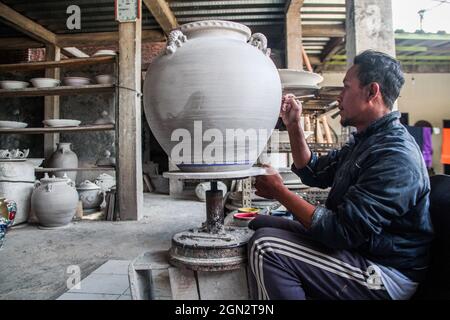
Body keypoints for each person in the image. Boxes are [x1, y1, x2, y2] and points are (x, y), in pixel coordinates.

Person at [247, 50, 434, 300]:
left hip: (385, 273)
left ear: (371, 92)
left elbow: (339, 232)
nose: (339, 97)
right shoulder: (366, 140)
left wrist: (280, 191)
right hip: (358, 248)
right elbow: (313, 172)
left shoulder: (395, 157)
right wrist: (293, 124)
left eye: (346, 88)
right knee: (259, 223)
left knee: (265, 246)